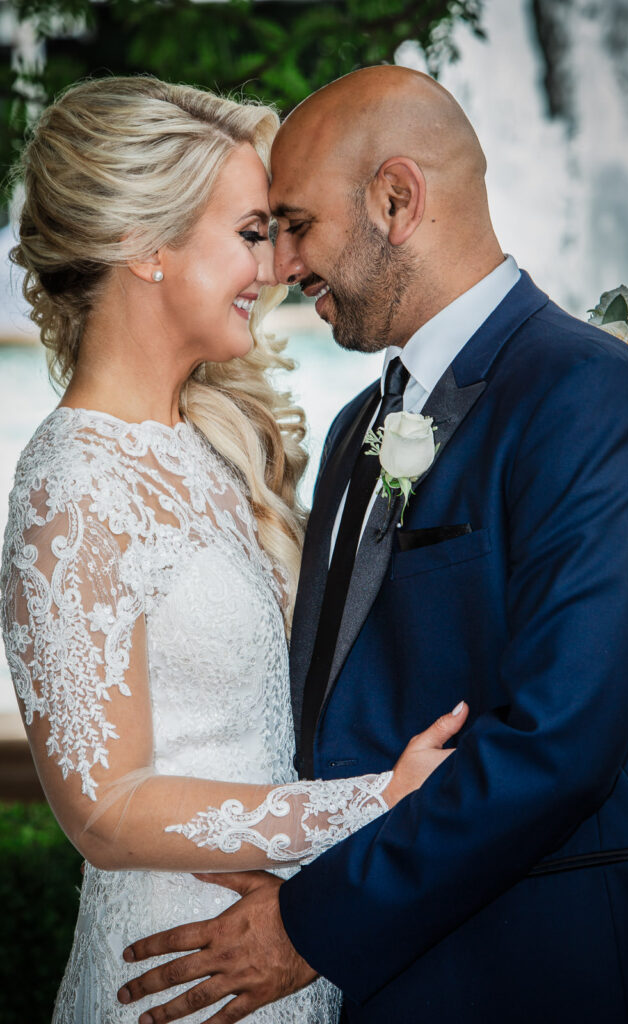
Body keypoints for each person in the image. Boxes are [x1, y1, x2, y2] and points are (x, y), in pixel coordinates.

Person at [122, 66, 628, 1024]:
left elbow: (561, 742)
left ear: (395, 199)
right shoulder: (353, 430)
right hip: (383, 979)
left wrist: (311, 925)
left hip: (537, 973)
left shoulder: (590, 395)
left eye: (294, 224)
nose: (278, 265)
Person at [0, 75, 467, 1024]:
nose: (279, 265)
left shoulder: (213, 445)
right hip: (173, 975)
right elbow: (101, 808)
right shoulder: (72, 478)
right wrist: (373, 802)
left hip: (280, 946)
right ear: (146, 247)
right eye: (253, 233)